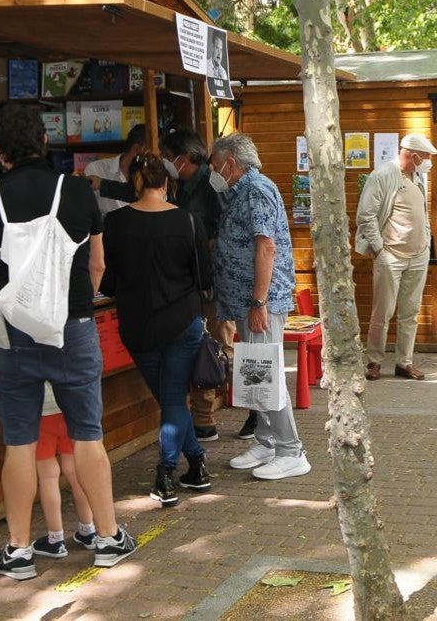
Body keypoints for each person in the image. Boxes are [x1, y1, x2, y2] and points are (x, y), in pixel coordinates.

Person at [0, 105, 135, 580]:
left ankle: (19, 551)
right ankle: (107, 538)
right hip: (73, 327)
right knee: (87, 433)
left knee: (20, 441)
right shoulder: (78, 191)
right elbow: (98, 266)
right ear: (43, 138)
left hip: (13, 336)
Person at [97, 129, 232, 441]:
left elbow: (109, 276)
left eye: (171, 158)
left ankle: (200, 426)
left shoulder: (206, 190)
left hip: (165, 312)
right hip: (184, 310)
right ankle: (193, 449)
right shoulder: (183, 201)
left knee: (185, 379)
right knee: (175, 393)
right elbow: (148, 197)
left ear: (181, 160)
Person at [102, 154, 213, 507]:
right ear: (166, 183)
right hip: (183, 321)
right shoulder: (187, 220)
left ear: (135, 182)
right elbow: (205, 277)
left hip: (138, 325)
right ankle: (186, 467)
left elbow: (107, 282)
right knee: (172, 399)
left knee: (168, 398)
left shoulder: (115, 222)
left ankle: (174, 470)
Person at [210, 134, 311, 480]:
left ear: (231, 164)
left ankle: (291, 450)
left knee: (266, 373)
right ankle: (267, 441)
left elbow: (266, 248)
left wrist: (259, 301)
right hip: (246, 299)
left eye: (215, 166)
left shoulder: (255, 190)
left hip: (261, 301)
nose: (214, 173)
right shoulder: (240, 191)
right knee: (256, 371)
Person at [355, 133, 437, 381]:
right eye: (425, 158)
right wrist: (380, 249)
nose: (428, 163)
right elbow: (366, 215)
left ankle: (404, 362)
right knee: (383, 312)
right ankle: (374, 362)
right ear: (413, 156)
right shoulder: (382, 176)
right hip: (391, 255)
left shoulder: (417, 176)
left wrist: (425, 241)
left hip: (418, 254)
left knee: (410, 313)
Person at [32, 383, 96, 558]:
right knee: (75, 472)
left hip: (40, 414)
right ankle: (88, 531)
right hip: (68, 411)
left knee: (48, 476)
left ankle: (55, 540)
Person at [85, 124, 147, 216]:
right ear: (137, 149)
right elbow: (86, 211)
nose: (158, 158)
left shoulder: (152, 176)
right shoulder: (96, 169)